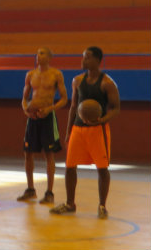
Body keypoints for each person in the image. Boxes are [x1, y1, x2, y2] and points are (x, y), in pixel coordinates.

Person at [50, 46, 120, 219]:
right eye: (83, 57)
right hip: (78, 129)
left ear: (98, 60)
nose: (83, 60)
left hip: (98, 130)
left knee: (102, 168)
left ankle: (102, 206)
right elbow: (73, 106)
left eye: (87, 57)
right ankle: (69, 204)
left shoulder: (107, 83)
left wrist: (102, 119)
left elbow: (116, 108)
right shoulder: (77, 80)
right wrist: (67, 131)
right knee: (69, 166)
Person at [17, 47, 68, 204]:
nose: (38, 56)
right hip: (33, 117)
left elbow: (64, 99)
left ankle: (49, 192)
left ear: (50, 57)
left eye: (42, 53)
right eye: (37, 53)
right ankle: (30, 189)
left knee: (49, 154)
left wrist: (49, 109)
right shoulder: (30, 75)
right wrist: (26, 110)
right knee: (28, 153)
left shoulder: (56, 74)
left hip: (47, 116)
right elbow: (24, 98)